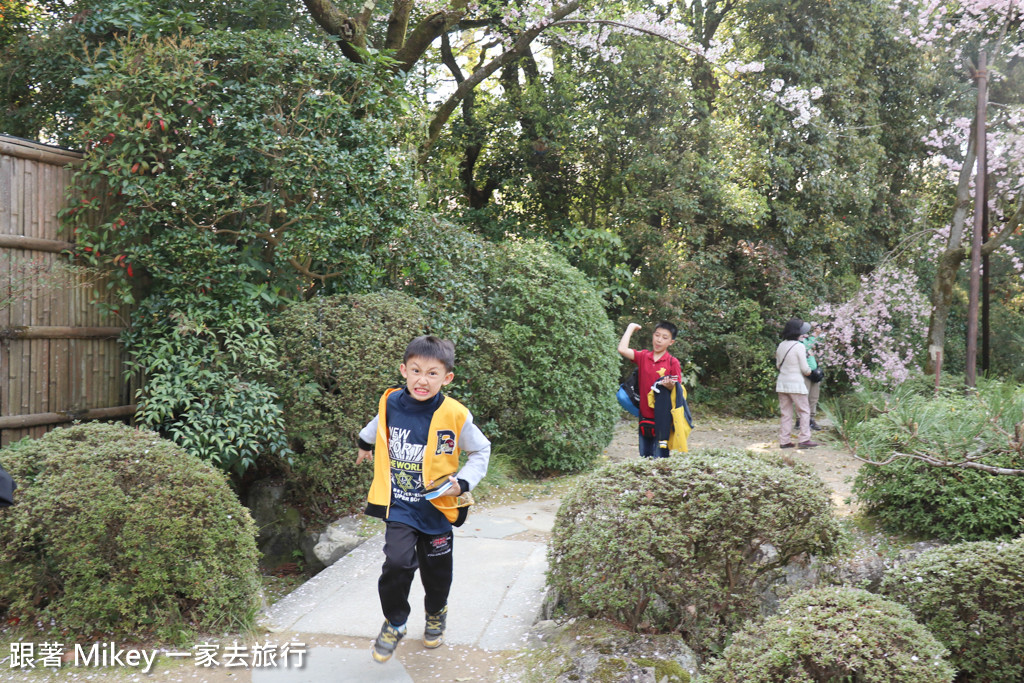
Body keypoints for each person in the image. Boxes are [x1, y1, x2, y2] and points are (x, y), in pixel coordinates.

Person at [356, 335, 491, 663]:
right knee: (397, 564)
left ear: (447, 378)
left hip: (436, 511)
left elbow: (480, 450)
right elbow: (378, 427)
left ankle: (436, 612)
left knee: (437, 572)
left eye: (433, 373)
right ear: (403, 370)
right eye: (416, 370)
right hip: (400, 506)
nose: (422, 379)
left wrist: (463, 482)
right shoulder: (389, 402)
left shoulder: (456, 414)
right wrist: (363, 442)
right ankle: (395, 621)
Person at [618, 321, 682, 458]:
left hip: (664, 419)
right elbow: (622, 350)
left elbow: (679, 391)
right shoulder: (643, 357)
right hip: (644, 417)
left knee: (661, 459)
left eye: (665, 337)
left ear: (671, 342)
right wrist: (630, 328)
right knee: (645, 457)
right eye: (657, 335)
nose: (659, 340)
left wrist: (670, 385)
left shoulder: (672, 362)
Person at [776, 318, 817, 448]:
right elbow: (805, 369)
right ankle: (804, 439)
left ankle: (784, 440)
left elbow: (778, 365)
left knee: (786, 413)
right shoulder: (799, 346)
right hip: (796, 384)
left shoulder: (781, 345)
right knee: (804, 411)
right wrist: (810, 371)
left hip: (782, 383)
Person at [800, 322, 823, 431]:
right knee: (804, 397)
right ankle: (801, 420)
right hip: (804, 372)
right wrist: (815, 335)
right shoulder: (799, 342)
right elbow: (806, 347)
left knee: (813, 397)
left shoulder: (806, 339)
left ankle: (811, 419)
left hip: (813, 372)